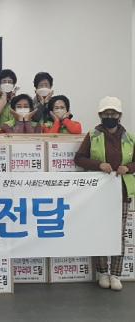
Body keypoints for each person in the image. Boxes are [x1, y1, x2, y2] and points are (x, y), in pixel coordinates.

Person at [74, 97, 135, 291]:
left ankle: (116, 274)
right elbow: (79, 158)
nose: (110, 116)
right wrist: (98, 165)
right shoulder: (93, 135)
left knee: (119, 234)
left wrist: (128, 167)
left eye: (113, 113)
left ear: (120, 115)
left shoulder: (130, 138)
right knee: (99, 231)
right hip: (98, 192)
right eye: (106, 113)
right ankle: (102, 272)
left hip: (122, 191)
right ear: (100, 115)